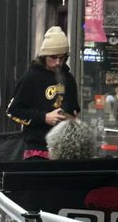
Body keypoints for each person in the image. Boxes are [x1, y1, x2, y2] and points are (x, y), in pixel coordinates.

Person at [6, 26, 80, 160]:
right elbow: (12, 111)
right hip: (38, 148)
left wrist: (71, 118)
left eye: (62, 58)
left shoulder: (68, 78)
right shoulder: (31, 77)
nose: (58, 62)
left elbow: (74, 110)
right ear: (44, 56)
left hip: (64, 149)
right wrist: (43, 117)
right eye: (53, 57)